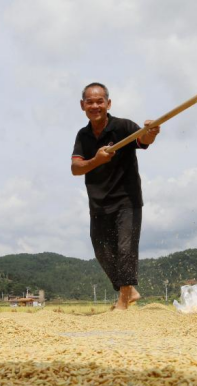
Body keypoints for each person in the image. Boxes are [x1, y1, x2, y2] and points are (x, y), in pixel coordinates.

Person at [71, 82, 160, 310]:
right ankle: (129, 290)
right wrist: (96, 160)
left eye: (99, 101)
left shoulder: (123, 127)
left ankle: (123, 301)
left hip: (127, 200)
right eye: (90, 101)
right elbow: (76, 168)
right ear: (82, 105)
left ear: (108, 103)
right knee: (101, 251)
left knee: (125, 248)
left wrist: (151, 132)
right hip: (99, 203)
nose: (95, 105)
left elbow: (143, 141)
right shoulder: (83, 136)